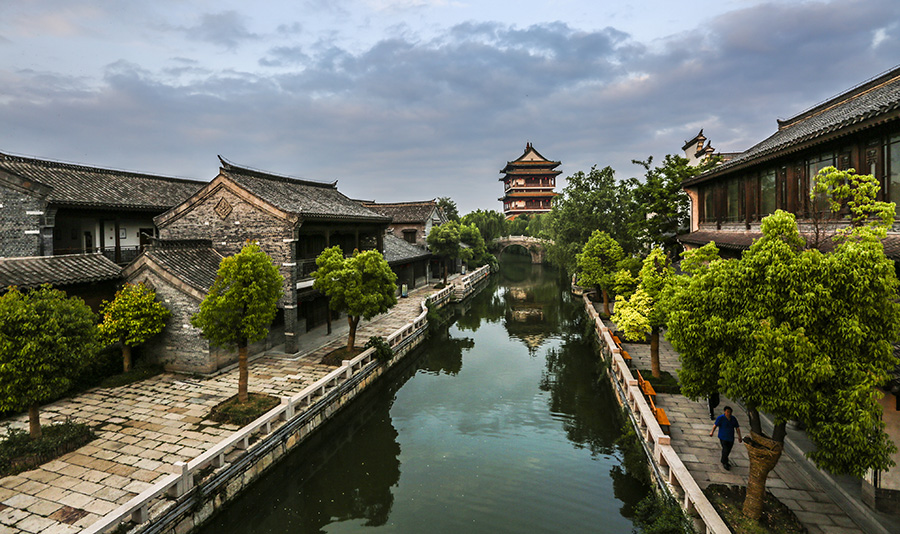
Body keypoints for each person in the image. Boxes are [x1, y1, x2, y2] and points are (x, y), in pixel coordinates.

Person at [710, 405, 742, 470]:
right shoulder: (721, 418)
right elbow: (715, 425)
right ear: (725, 412)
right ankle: (724, 462)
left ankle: (725, 460)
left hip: (730, 437)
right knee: (725, 449)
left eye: (730, 412)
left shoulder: (733, 419)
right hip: (723, 437)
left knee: (728, 450)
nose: (728, 413)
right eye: (727, 412)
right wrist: (712, 432)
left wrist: (739, 436)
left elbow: (737, 428)